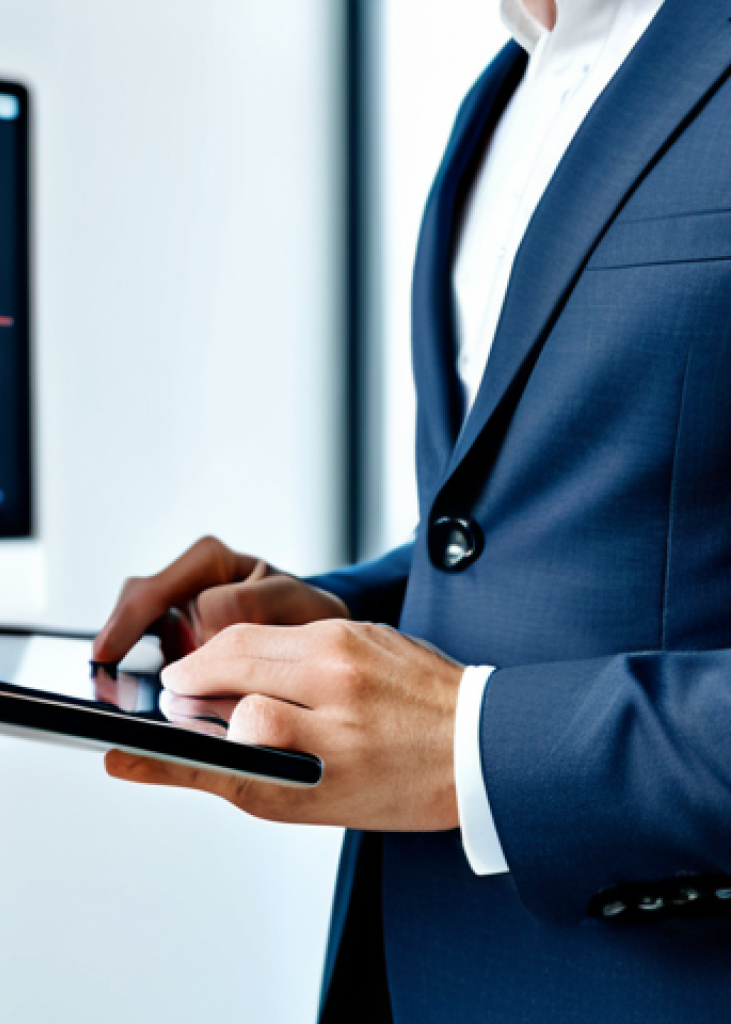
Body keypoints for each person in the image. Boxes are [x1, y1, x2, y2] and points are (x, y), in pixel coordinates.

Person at [92, 0, 731, 1019]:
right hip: (409, 966)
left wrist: (476, 745)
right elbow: (522, 532)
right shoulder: (501, 97)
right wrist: (337, 614)